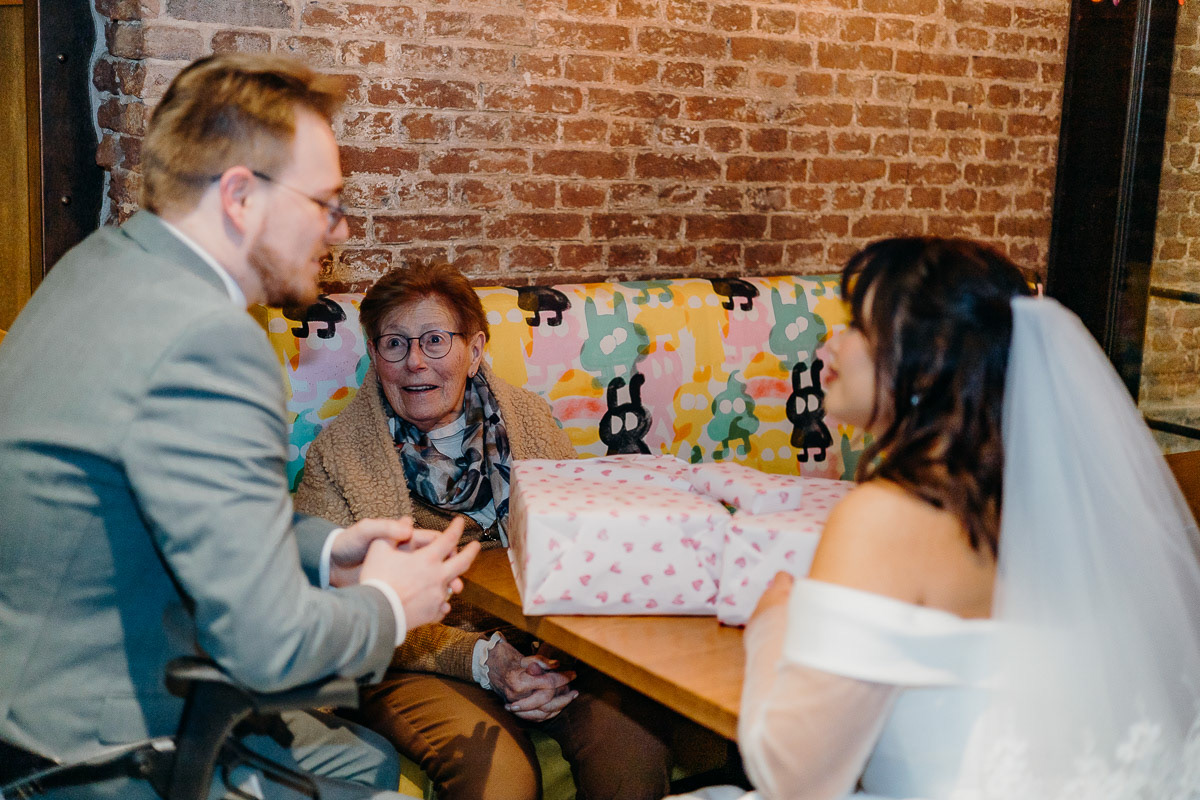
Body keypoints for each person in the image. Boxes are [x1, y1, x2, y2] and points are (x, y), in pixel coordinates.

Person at [0, 53, 480, 800]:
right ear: (240, 198)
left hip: (29, 694)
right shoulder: (210, 341)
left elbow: (179, 507)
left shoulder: (100, 265)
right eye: (324, 203)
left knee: (369, 763)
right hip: (92, 750)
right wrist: (390, 605)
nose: (340, 231)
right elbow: (270, 650)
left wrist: (330, 553)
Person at [673, 236, 1200, 800]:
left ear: (928, 360)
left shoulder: (888, 516)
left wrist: (772, 627)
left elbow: (796, 777)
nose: (830, 345)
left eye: (855, 324)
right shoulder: (1053, 503)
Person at [294, 263, 674, 800]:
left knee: (633, 742)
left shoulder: (529, 420)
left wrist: (552, 657)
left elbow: (579, 552)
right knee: (497, 778)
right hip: (418, 660)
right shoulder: (337, 455)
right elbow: (330, 610)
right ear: (375, 356)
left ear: (474, 351)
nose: (415, 362)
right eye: (395, 344)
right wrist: (482, 660)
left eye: (434, 340)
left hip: (541, 643)